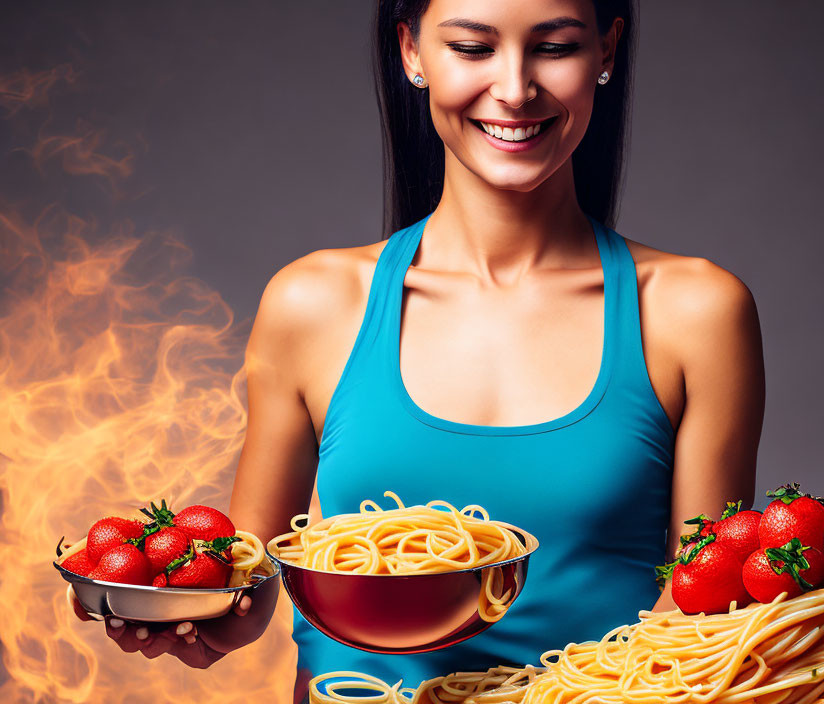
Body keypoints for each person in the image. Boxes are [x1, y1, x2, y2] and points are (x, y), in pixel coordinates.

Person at [71, 0, 765, 701]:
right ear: (412, 52)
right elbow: (251, 579)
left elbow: (702, 617)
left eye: (554, 48)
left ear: (606, 54)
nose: (516, 88)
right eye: (472, 47)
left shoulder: (694, 313)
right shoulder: (312, 304)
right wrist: (201, 619)